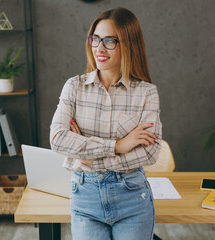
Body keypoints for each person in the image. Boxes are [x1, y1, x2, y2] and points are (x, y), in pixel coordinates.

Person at [50, 7, 162, 240]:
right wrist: (117, 146)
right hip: (85, 199)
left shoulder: (146, 93)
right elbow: (58, 139)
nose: (99, 48)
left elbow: (150, 153)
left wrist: (88, 156)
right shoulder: (74, 87)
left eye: (110, 41)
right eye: (96, 39)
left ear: (128, 44)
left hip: (132, 198)